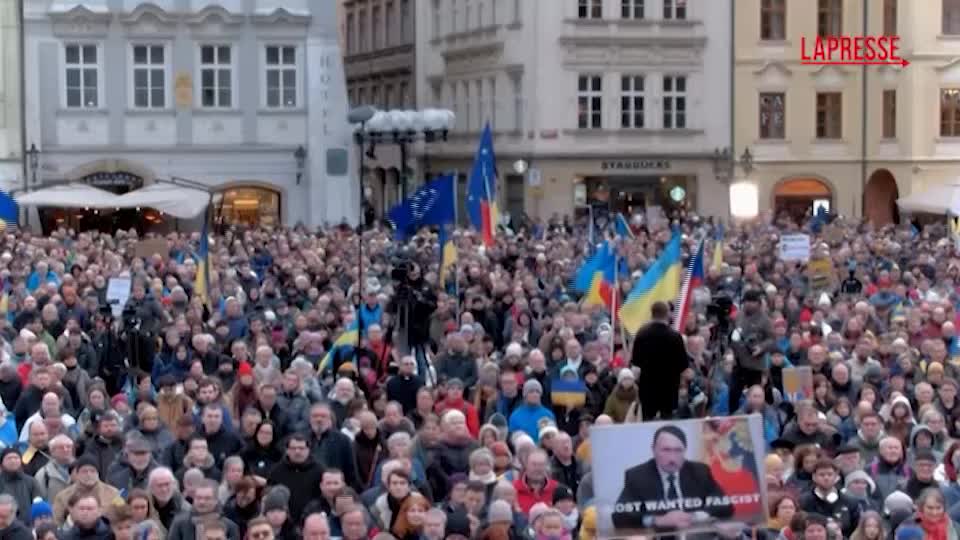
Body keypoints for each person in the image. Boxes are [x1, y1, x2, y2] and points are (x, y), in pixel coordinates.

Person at [611, 425, 733, 531]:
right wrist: (656, 520)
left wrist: (694, 516)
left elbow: (725, 505)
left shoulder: (699, 471)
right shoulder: (638, 476)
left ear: (685, 450)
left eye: (678, 450)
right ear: (653, 450)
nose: (672, 458)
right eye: (666, 450)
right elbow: (620, 516)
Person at [631, 302, 688, 420]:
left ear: (651, 314)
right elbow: (683, 365)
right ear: (667, 314)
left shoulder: (642, 334)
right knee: (667, 422)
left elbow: (636, 362)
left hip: (648, 389)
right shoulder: (675, 336)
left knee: (647, 422)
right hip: (669, 389)